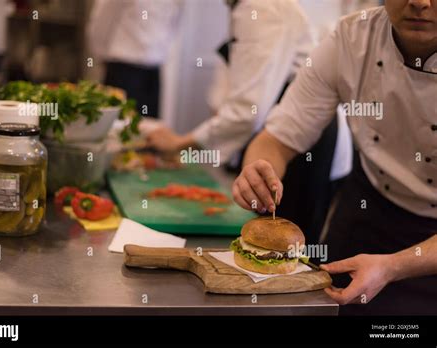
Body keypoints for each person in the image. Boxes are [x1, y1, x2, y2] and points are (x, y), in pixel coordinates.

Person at [232, 0, 437, 315]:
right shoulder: (351, 38)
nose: (419, 3)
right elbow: (277, 137)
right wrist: (257, 169)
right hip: (367, 211)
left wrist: (394, 266)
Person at [147, 0, 353, 244]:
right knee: (267, 242)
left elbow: (248, 112)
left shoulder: (262, 9)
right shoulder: (245, 7)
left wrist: (181, 143)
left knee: (287, 248)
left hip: (301, 144)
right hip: (278, 136)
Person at [87, 0, 184, 118]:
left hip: (154, 69)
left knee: (149, 124)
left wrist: (162, 53)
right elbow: (102, 21)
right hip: (123, 67)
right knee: (117, 121)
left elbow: (174, 24)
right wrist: (101, 54)